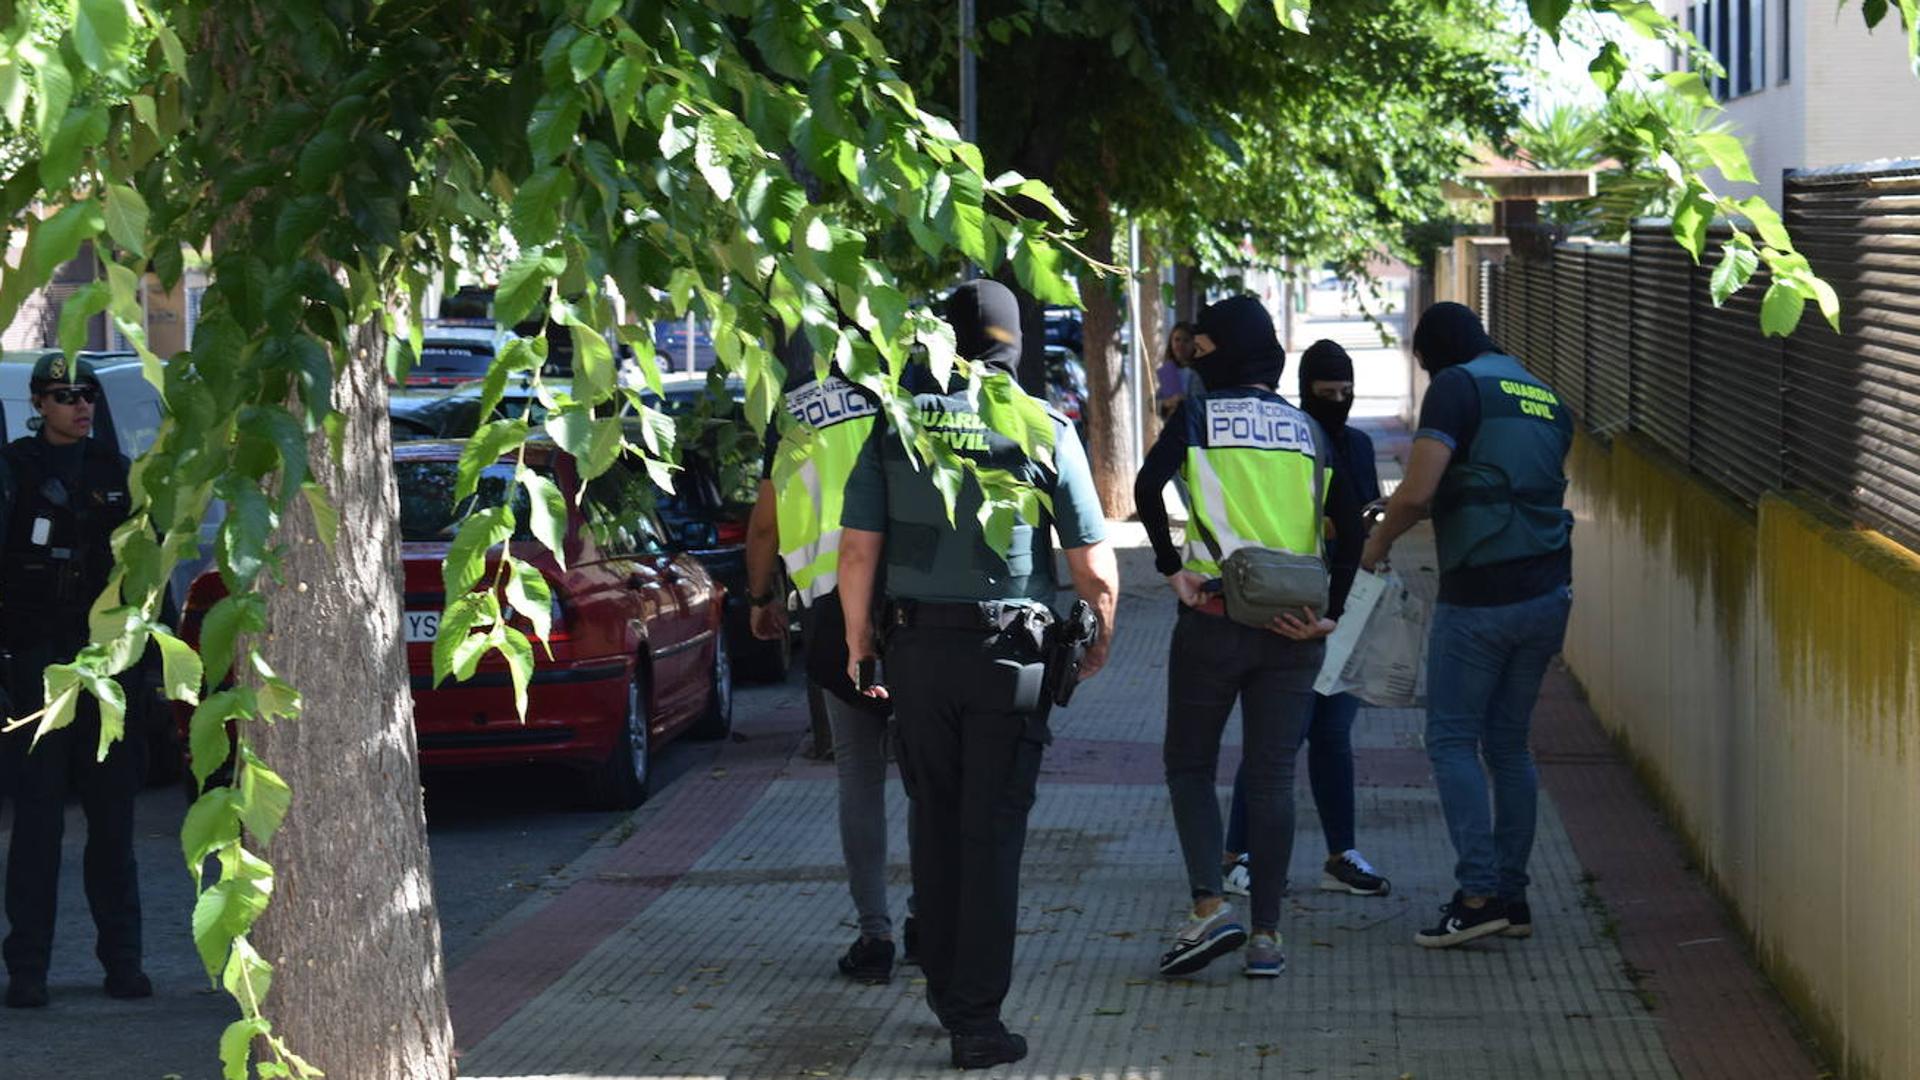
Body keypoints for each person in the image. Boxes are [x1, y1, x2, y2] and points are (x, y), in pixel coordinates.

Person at [838, 279, 1118, 1071]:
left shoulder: (894, 424)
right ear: (1015, 342)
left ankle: (946, 990)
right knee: (992, 832)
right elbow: (1093, 565)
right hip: (1011, 660)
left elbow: (857, 549)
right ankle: (977, 1020)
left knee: (934, 814)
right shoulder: (1040, 425)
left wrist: (861, 641)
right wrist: (1100, 639)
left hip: (917, 654)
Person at [1133, 297, 1361, 981]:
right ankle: (1266, 937)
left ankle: (1210, 905)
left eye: (1201, 348)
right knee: (1270, 780)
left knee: (1190, 765)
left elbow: (1147, 489)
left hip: (1213, 621)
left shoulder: (1199, 416)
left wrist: (1172, 570)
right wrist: (1332, 616)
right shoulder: (1308, 430)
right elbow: (1350, 527)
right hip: (1294, 632)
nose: (1194, 357)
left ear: (1222, 351)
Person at [1361, 302, 1574, 949]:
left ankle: (1477, 894)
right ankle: (1512, 896)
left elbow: (1420, 490)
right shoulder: (1540, 391)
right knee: (1507, 744)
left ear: (1432, 356)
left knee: (1452, 740)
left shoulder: (1456, 387)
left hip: (1481, 596)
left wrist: (1377, 544)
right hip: (1549, 591)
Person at [742, 337, 910, 985]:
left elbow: (763, 525)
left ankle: (877, 936)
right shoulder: (895, 396)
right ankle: (931, 918)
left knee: (858, 776)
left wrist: (761, 598)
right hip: (907, 600)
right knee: (925, 772)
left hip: (831, 609)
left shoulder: (790, 416)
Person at [1, 354, 148, 1009]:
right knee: (38, 829)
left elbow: (147, 584)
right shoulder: (12, 474)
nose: (80, 405)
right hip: (37, 665)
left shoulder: (117, 475)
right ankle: (27, 971)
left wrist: (146, 676)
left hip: (105, 670)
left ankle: (124, 964)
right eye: (65, 395)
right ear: (38, 403)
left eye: (87, 394)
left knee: (113, 825)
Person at [1220, 339, 1391, 900]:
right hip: (1290, 601)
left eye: (1347, 393)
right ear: (1305, 392)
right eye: (1326, 394)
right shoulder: (1292, 438)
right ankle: (1235, 853)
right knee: (1280, 737)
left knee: (1333, 734)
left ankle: (1341, 852)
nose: (1338, 402)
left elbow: (1366, 515)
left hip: (1346, 604)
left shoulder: (1360, 445)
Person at [1155, 321, 1199, 420]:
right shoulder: (1169, 371)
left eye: (1186, 340)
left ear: (1194, 344)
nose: (1180, 344)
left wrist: (1184, 401)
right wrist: (1166, 403)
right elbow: (1154, 404)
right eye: (1177, 340)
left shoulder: (1198, 371)